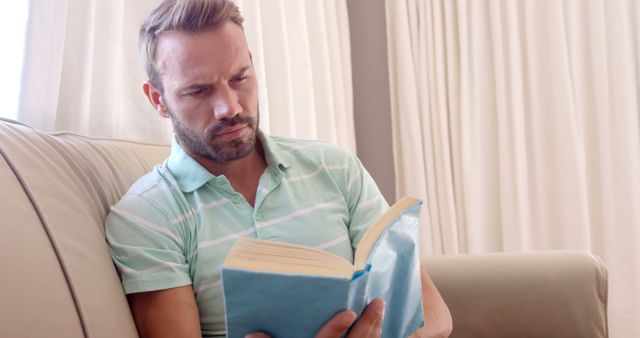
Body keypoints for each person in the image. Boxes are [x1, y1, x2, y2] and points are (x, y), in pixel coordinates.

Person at [105, 0, 452, 337]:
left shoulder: (335, 168)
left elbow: (433, 312)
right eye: (198, 90)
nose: (229, 107)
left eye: (240, 78)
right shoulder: (147, 217)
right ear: (157, 99)